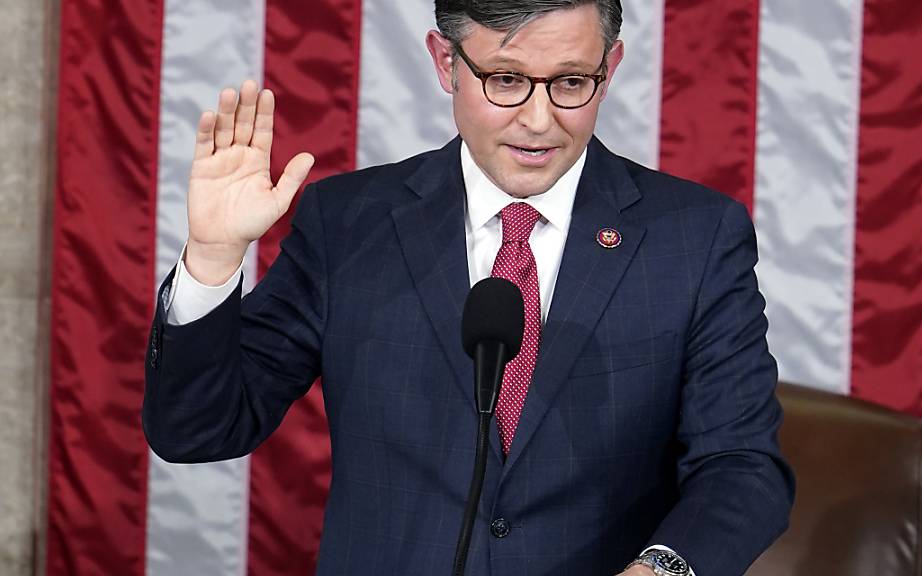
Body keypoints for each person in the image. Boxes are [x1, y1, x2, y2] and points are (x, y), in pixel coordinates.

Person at [143, 1, 794, 574]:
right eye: (506, 80)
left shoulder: (695, 237)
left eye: (571, 82)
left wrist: (663, 573)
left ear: (611, 65)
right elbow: (198, 430)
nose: (539, 121)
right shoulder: (347, 225)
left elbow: (741, 468)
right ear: (445, 62)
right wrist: (212, 258)